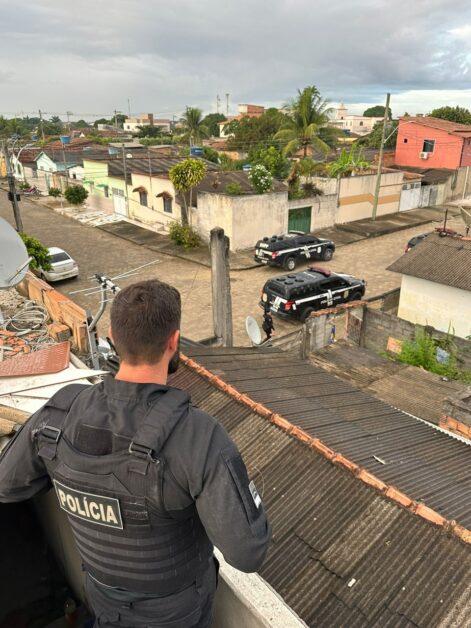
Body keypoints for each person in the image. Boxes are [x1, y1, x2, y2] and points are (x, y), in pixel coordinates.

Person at [0, 279, 272, 627]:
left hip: (103, 601)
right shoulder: (197, 436)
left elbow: (7, 484)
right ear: (174, 342)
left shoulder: (59, 414)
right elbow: (248, 552)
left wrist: (77, 480)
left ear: (111, 335)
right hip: (176, 614)